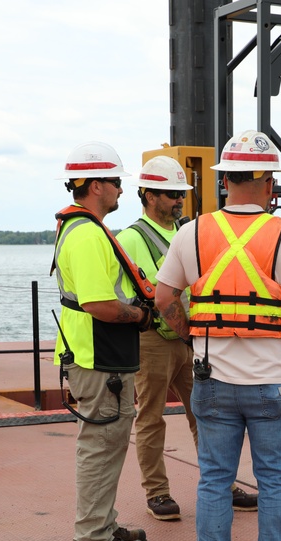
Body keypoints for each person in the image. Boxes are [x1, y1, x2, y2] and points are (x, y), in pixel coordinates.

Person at [155, 130, 281, 541]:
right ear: (269, 181)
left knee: (213, 481)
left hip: (211, 379)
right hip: (273, 378)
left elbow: (164, 299)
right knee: (275, 482)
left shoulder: (191, 232)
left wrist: (192, 337)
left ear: (225, 179)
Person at [116, 156, 258, 521]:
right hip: (152, 340)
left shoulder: (187, 230)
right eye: (169, 194)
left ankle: (222, 484)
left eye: (180, 193)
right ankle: (157, 493)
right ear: (147, 195)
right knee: (150, 416)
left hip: (189, 337)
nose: (178, 200)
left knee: (207, 413)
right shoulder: (130, 238)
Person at [51, 141, 154, 541]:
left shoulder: (77, 229)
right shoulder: (90, 236)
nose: (121, 190)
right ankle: (93, 540)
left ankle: (103, 524)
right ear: (95, 185)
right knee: (101, 445)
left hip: (92, 355)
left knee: (106, 445)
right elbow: (100, 306)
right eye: (115, 182)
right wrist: (139, 316)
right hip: (99, 357)